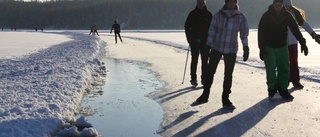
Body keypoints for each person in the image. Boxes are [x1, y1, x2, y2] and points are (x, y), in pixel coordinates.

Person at [192, 0, 249, 108]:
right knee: (210, 72)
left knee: (228, 75)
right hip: (217, 47)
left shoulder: (240, 17)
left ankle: (225, 98)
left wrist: (245, 47)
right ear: (226, 2)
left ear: (236, 3)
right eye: (230, 1)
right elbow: (212, 31)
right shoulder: (218, 15)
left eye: (233, 2)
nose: (231, 4)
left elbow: (244, 33)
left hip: (231, 49)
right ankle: (205, 95)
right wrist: (208, 45)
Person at [258, 0, 308, 101]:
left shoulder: (287, 15)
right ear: (273, 5)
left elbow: (295, 29)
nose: (279, 7)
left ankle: (283, 89)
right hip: (269, 46)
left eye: (281, 5)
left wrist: (302, 42)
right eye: (277, 5)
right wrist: (261, 48)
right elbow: (261, 32)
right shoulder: (267, 15)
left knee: (284, 68)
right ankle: (272, 90)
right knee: (271, 69)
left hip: (282, 46)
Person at [283, 0, 320, 89]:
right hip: (282, 43)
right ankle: (284, 81)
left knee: (294, 62)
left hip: (293, 42)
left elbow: (304, 24)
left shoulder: (295, 13)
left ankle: (295, 81)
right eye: (285, 6)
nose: (286, 8)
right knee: (284, 63)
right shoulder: (279, 14)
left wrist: (313, 34)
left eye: (288, 6)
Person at [184, 0, 212, 87]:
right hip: (194, 41)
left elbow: (213, 28)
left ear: (205, 4)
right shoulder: (192, 14)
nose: (201, 5)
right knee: (194, 60)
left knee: (205, 61)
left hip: (205, 42)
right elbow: (187, 26)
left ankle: (204, 79)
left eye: (202, 3)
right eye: (199, 3)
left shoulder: (209, 15)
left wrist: (211, 40)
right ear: (197, 3)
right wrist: (189, 38)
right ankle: (193, 79)